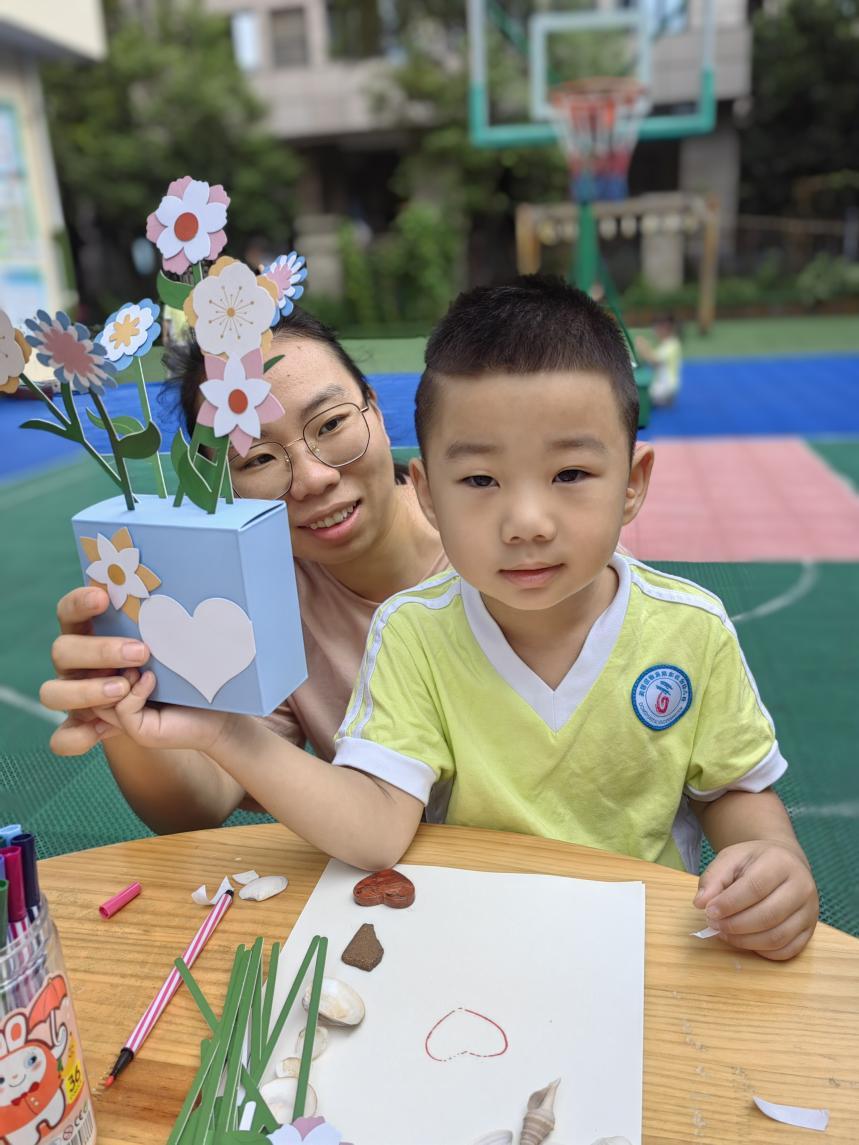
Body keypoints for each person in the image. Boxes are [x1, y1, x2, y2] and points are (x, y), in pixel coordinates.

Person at [89, 277, 818, 961]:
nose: (526, 521)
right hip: (467, 944)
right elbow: (374, 820)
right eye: (479, 480)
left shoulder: (691, 628)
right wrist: (216, 727)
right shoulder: (408, 633)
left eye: (568, 474)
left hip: (638, 944)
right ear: (430, 491)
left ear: (632, 486)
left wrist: (774, 858)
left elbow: (733, 788)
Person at [40, 309, 445, 831]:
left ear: (376, 410)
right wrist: (120, 706)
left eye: (332, 424)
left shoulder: (500, 544)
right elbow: (198, 805)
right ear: (221, 486)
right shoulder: (265, 599)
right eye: (256, 459)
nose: (313, 479)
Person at [636, 313, 682, 406]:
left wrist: (644, 347)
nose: (654, 331)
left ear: (665, 328)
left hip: (666, 388)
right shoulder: (666, 344)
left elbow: (654, 361)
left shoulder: (671, 345)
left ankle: (662, 400)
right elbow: (653, 363)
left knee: (637, 398)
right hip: (662, 384)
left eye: (655, 328)